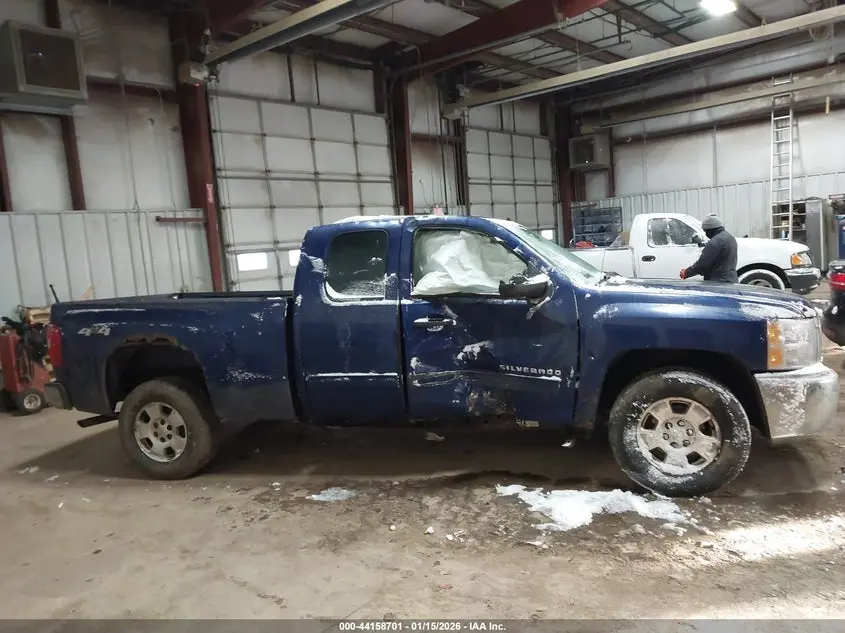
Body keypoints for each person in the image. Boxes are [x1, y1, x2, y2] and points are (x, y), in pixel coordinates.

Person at [680, 214, 738, 283]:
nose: (706, 234)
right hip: (731, 280)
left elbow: (703, 264)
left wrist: (686, 272)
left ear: (710, 230)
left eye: (705, 231)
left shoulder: (715, 242)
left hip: (718, 283)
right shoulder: (730, 237)